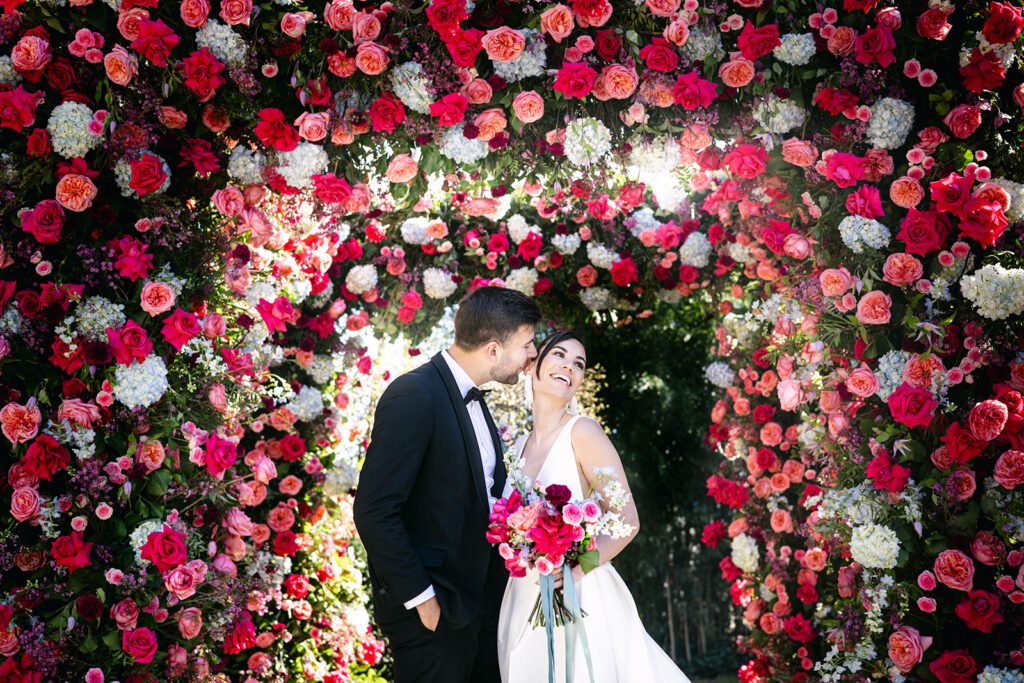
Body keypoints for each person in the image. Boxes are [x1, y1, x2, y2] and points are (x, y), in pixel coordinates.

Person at [353, 286, 541, 682]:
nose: (532, 354)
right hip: (433, 614)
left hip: (476, 608)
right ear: (493, 350)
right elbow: (374, 510)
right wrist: (422, 599)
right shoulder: (414, 394)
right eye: (527, 344)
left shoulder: (472, 398)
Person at [497, 331, 691, 683]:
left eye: (578, 364)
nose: (569, 367)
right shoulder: (516, 448)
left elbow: (627, 519)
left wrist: (576, 568)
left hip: (579, 592)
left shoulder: (583, 432)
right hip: (522, 594)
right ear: (532, 366)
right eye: (559, 355)